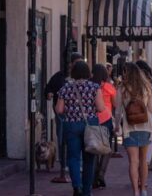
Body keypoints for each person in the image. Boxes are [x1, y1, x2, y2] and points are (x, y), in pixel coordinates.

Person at [55, 61, 106, 196]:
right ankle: (87, 191)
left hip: (71, 124)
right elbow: (101, 108)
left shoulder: (66, 88)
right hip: (90, 125)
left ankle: (76, 186)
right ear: (87, 73)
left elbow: (59, 109)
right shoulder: (94, 87)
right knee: (89, 158)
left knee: (73, 158)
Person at [114, 62, 152, 196]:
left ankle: (135, 192)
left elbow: (118, 110)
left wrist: (116, 125)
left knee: (133, 161)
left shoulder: (122, 88)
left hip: (129, 128)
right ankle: (143, 189)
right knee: (143, 161)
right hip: (146, 127)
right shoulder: (147, 87)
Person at [44, 52, 84, 166]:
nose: (78, 66)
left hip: (78, 114)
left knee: (77, 138)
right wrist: (49, 94)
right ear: (70, 64)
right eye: (77, 63)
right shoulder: (59, 77)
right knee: (62, 137)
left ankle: (76, 161)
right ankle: (64, 162)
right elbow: (48, 88)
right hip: (62, 113)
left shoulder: (83, 78)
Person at [92, 63, 117, 189]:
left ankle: (94, 175)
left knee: (94, 148)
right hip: (106, 119)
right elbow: (116, 104)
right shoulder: (109, 87)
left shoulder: (90, 86)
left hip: (93, 120)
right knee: (106, 148)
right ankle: (101, 174)